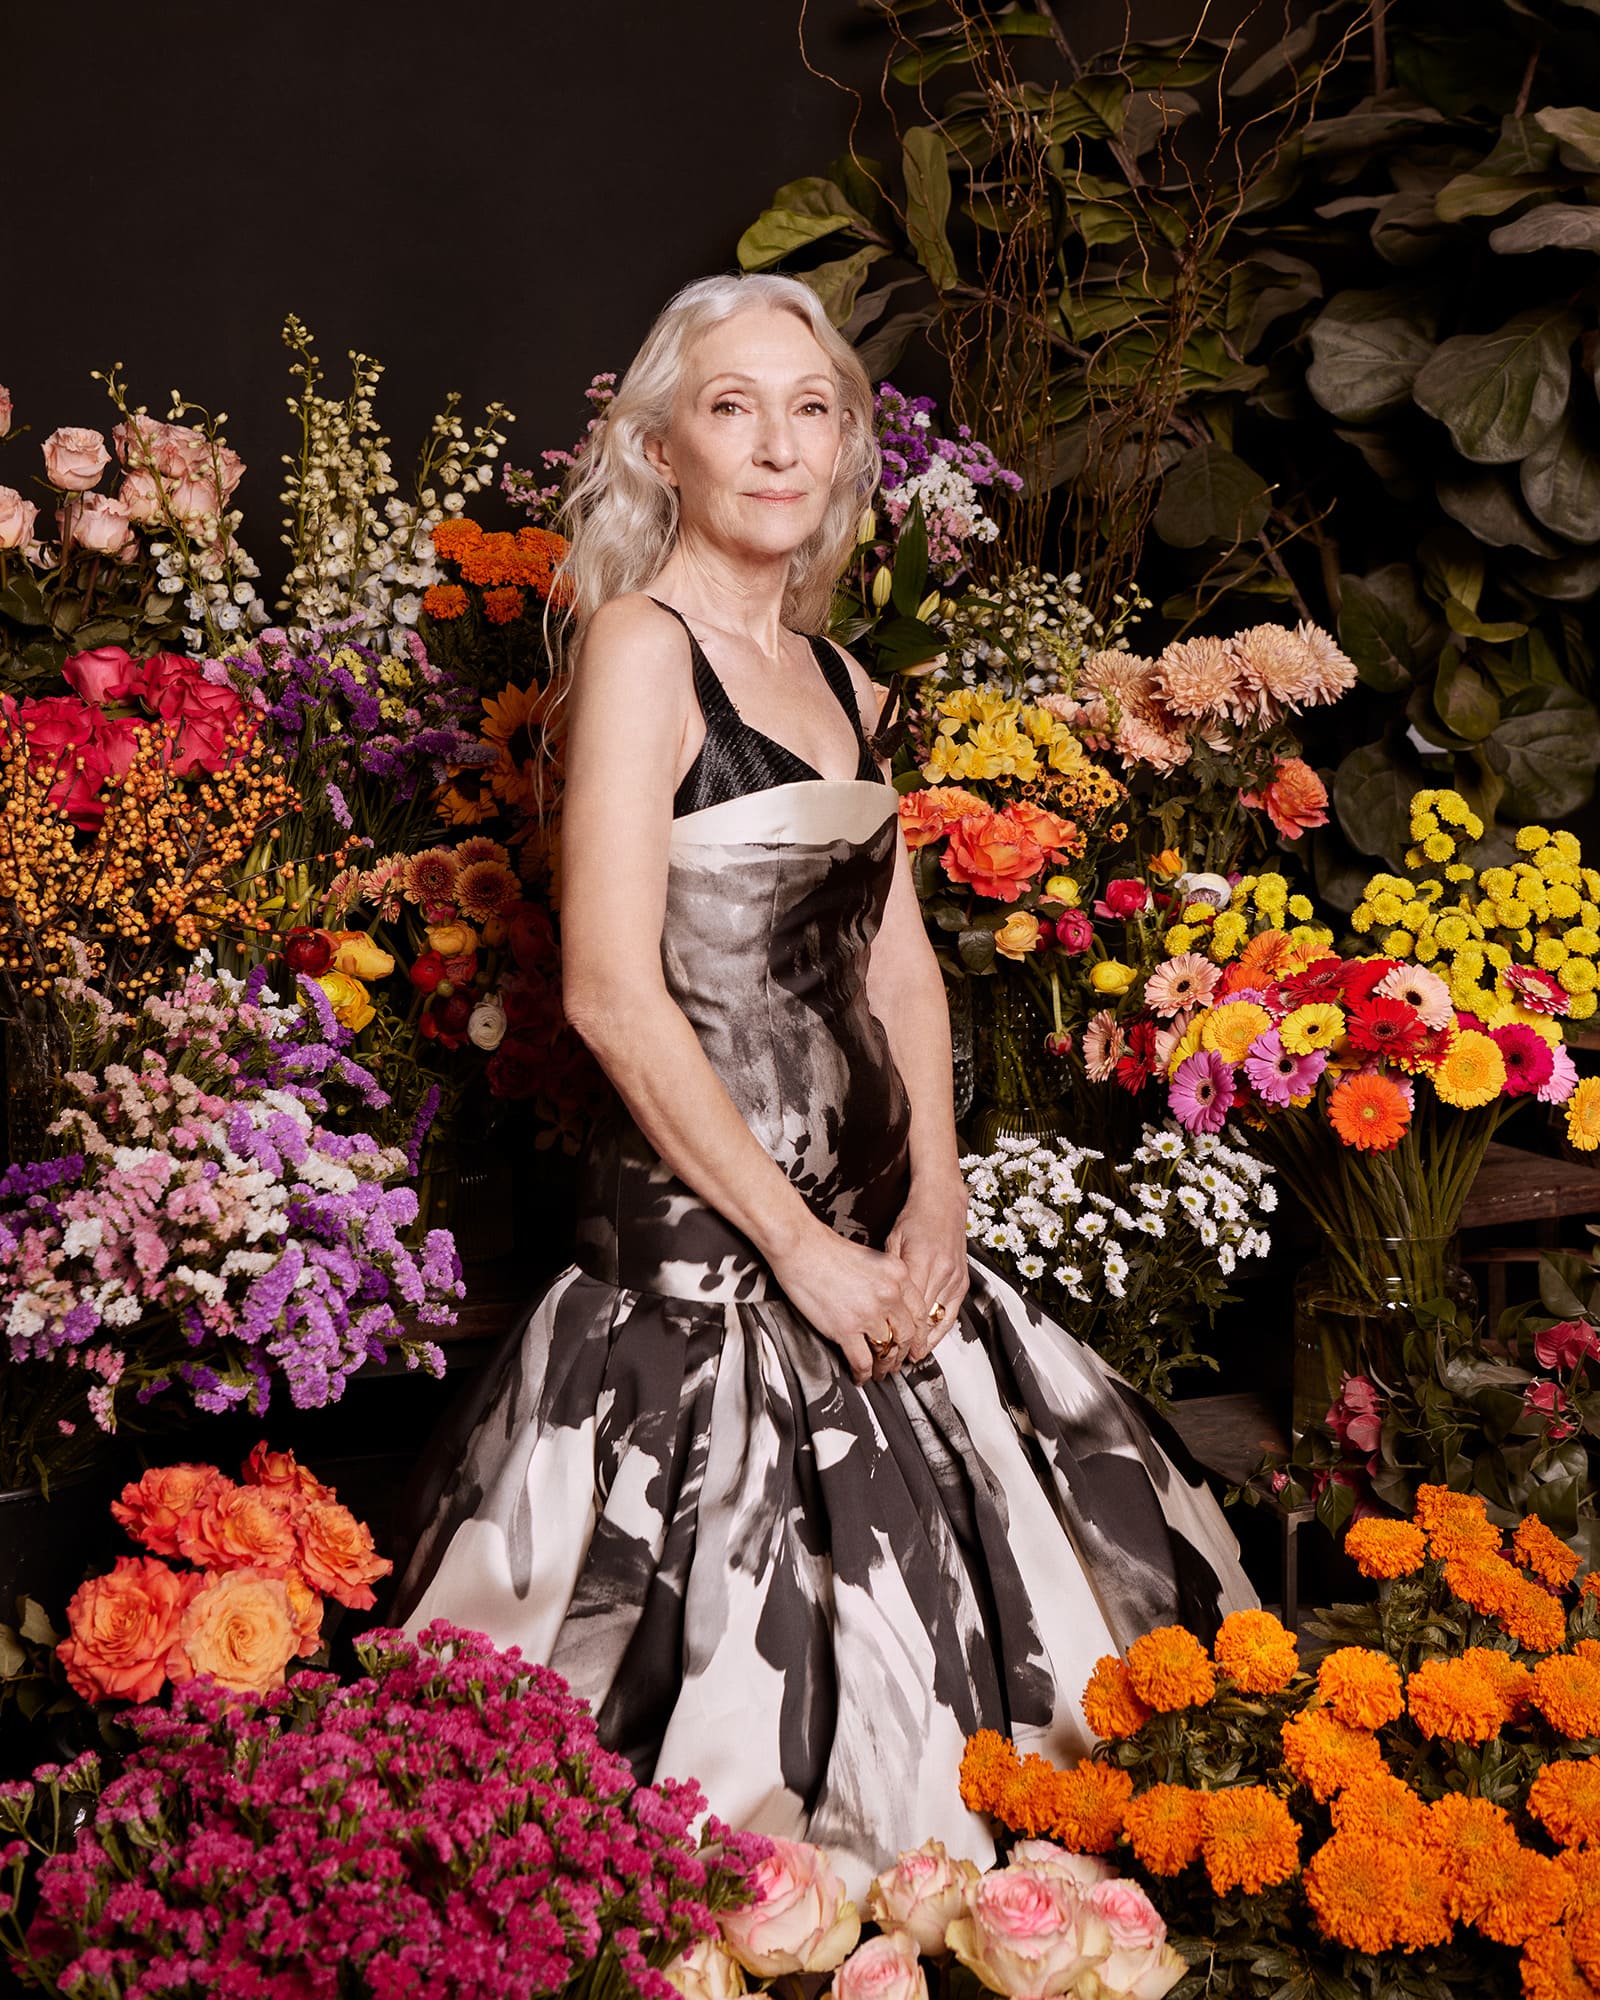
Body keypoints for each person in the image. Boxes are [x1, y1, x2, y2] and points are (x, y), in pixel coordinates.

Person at [393, 271, 1256, 1887]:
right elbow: (604, 989)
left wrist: (938, 1197)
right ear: (661, 450)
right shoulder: (645, 652)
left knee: (1053, 1660)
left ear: (851, 444)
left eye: (814, 408)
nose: (780, 445)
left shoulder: (851, 681)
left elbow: (898, 964)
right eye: (735, 407)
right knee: (686, 1748)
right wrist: (800, 1250)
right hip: (710, 1270)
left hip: (885, 1243)